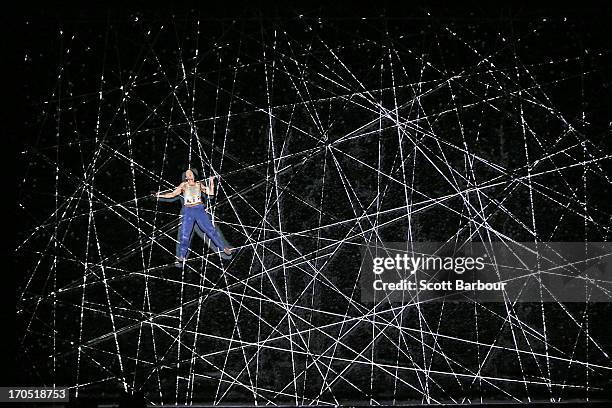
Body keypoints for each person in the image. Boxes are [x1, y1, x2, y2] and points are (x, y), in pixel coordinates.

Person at [156, 169, 233, 263]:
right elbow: (172, 194)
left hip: (199, 209)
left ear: (193, 176)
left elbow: (211, 193)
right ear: (186, 177)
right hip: (188, 211)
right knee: (185, 234)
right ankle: (182, 255)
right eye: (188, 174)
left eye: (191, 173)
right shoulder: (183, 185)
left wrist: (211, 181)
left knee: (210, 230)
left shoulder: (199, 184)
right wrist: (160, 195)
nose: (189, 174)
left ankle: (223, 248)